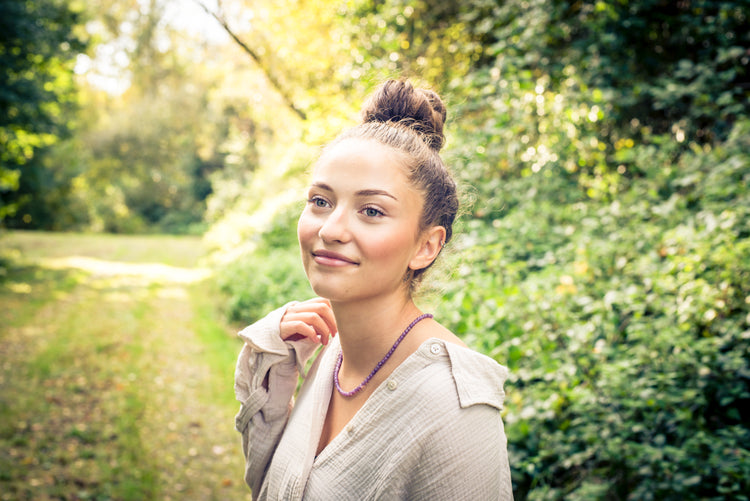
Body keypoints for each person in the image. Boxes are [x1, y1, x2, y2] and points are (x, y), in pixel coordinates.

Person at [233, 79, 513, 500]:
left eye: (371, 210)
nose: (329, 230)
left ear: (426, 245)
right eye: (321, 201)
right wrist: (275, 358)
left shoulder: (456, 408)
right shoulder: (332, 353)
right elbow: (271, 486)